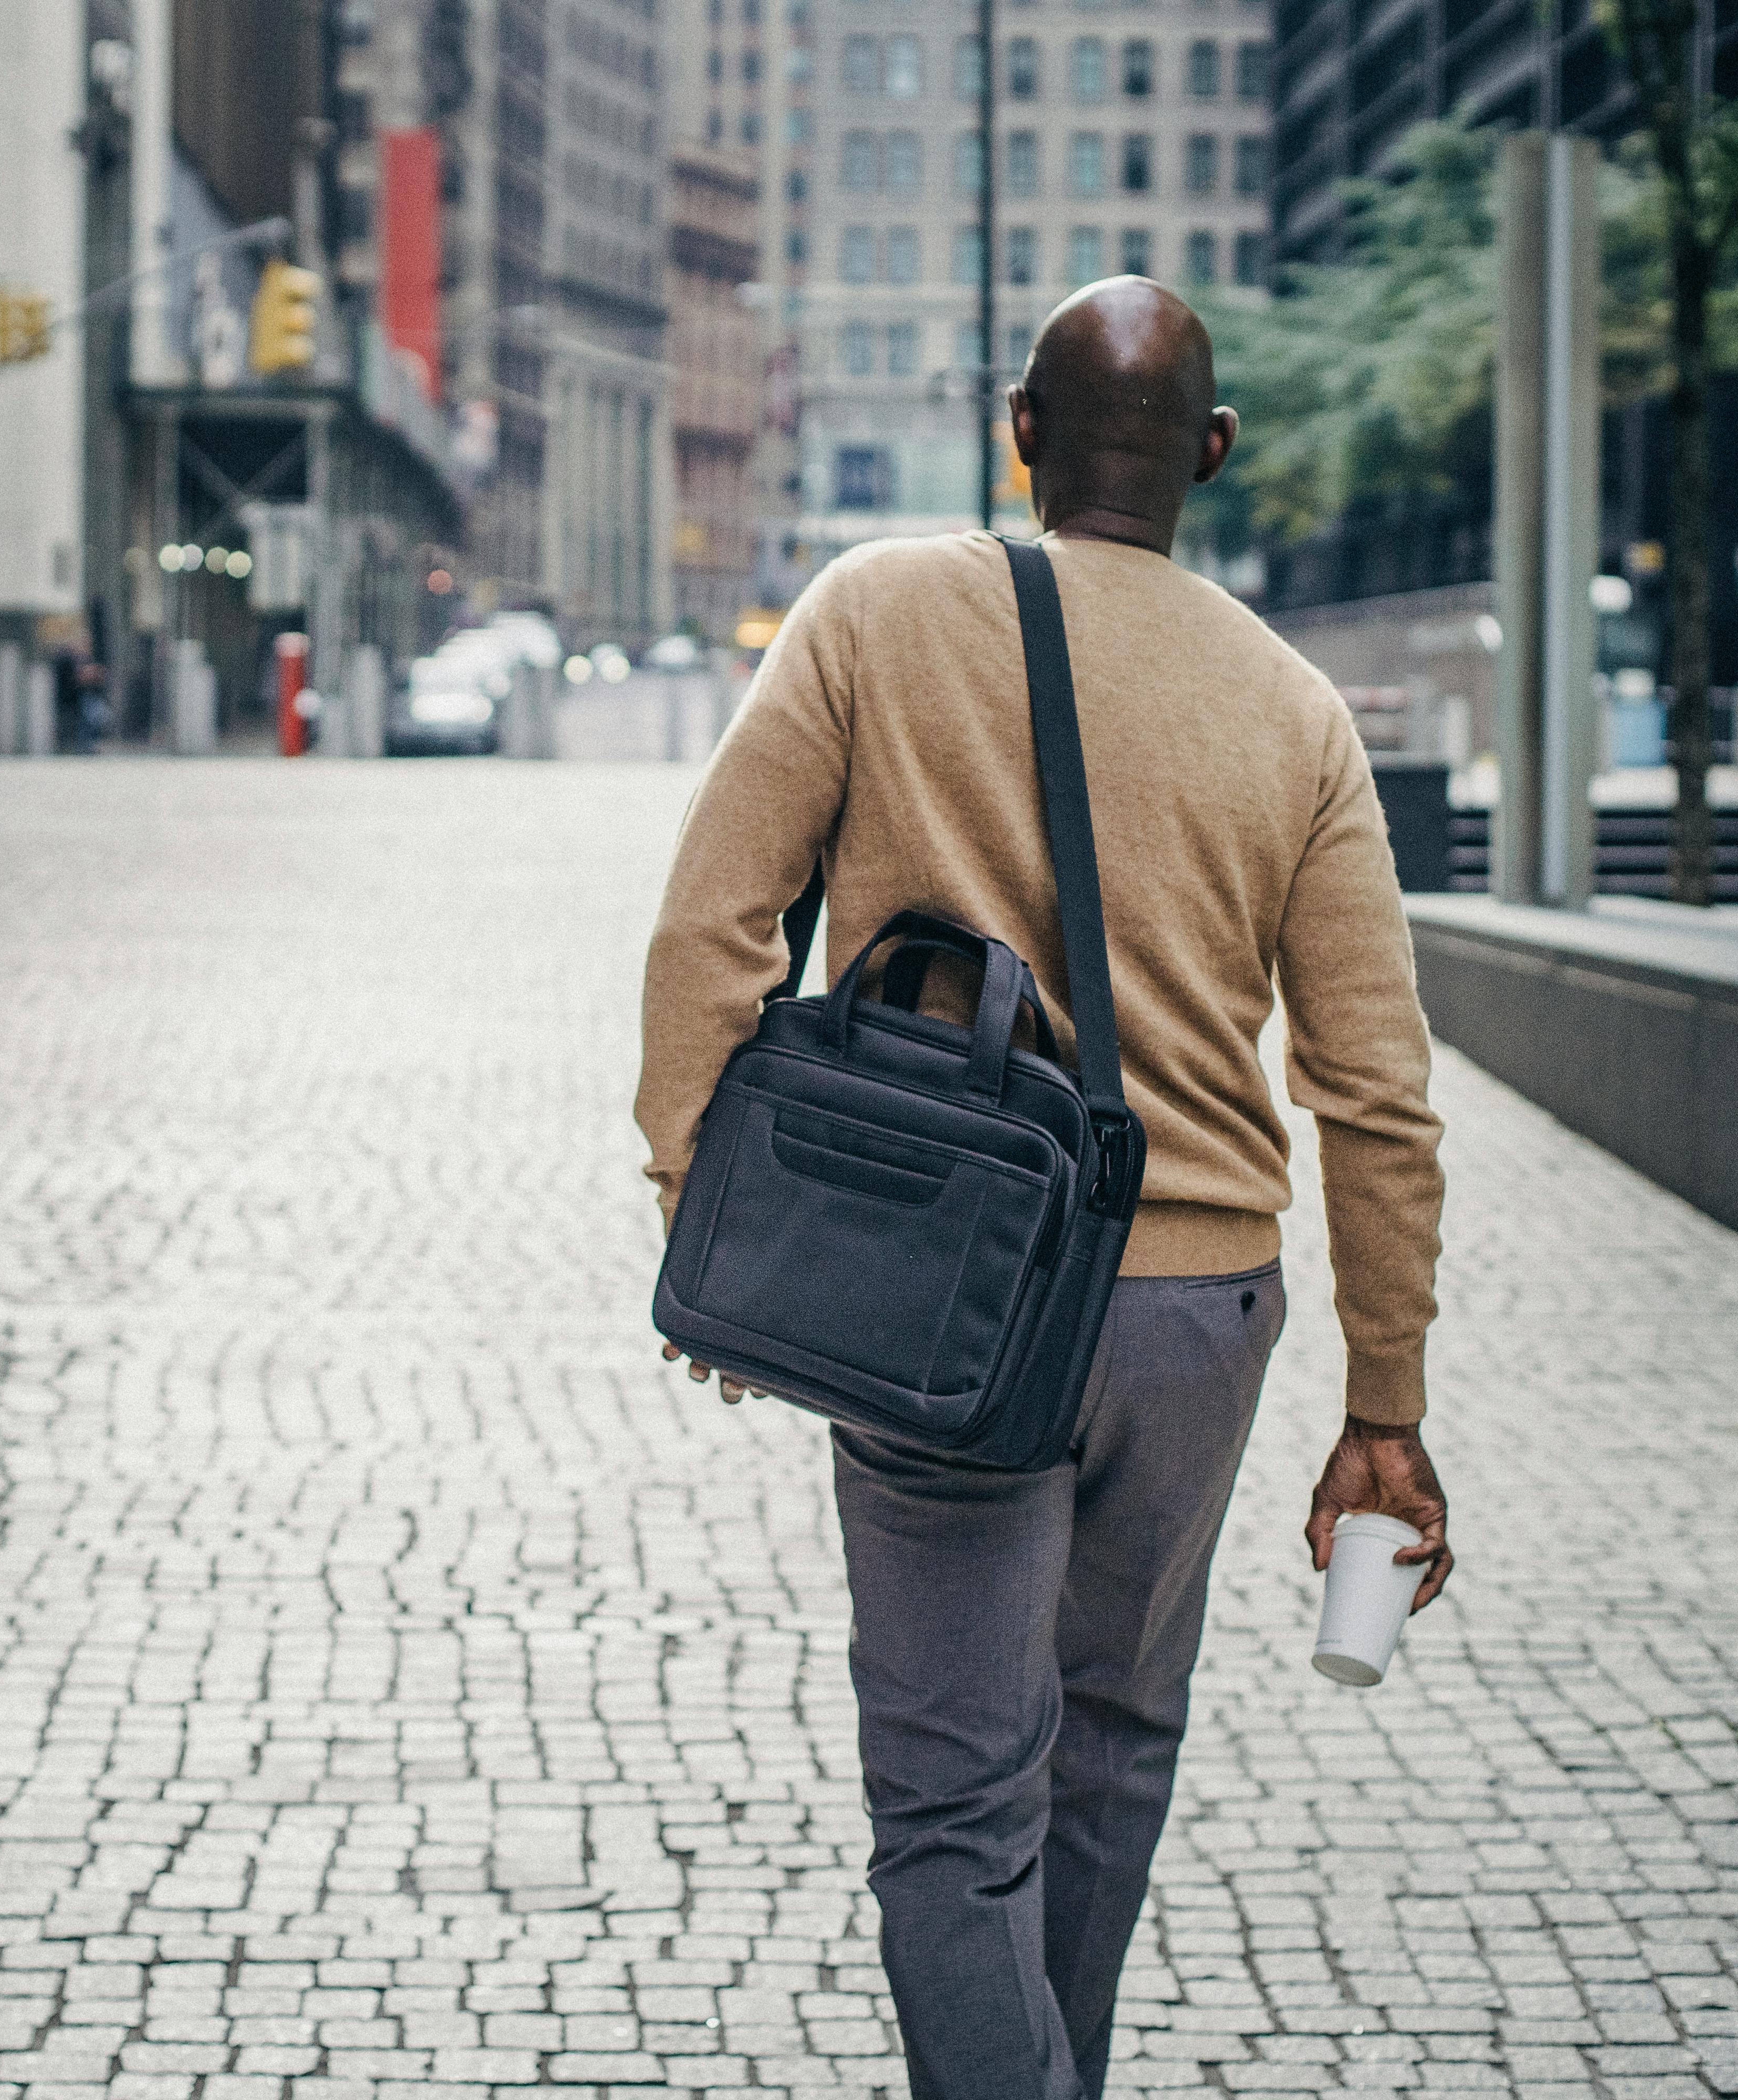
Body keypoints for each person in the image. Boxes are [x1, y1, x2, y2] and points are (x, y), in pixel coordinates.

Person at [633, 278, 1452, 2100]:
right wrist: (1383, 1409)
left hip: (944, 1290)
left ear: (1020, 431)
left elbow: (713, 923)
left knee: (949, 1817)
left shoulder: (877, 611)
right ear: (1215, 459)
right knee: (1112, 1754)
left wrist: (713, 1207)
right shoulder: (1300, 715)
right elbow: (1376, 1096)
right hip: (1197, 1325)